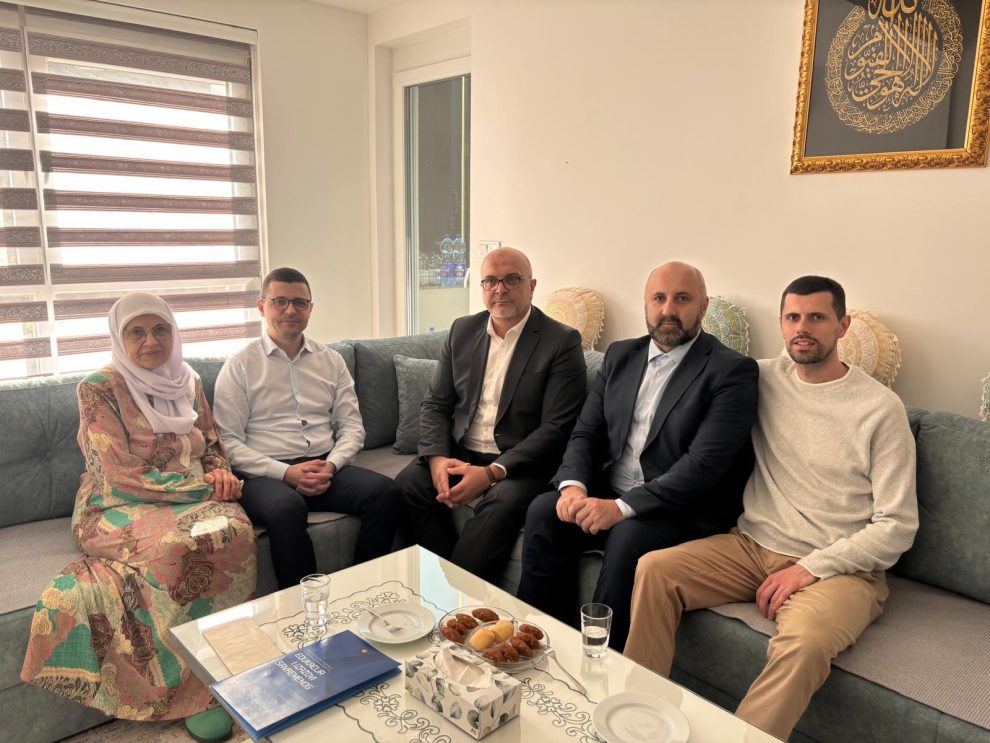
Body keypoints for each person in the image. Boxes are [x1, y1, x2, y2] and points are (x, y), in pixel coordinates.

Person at [623, 276, 919, 741]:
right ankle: (639, 721)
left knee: (806, 642)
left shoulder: (880, 410)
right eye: (793, 317)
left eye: (817, 318)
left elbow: (897, 526)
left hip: (839, 569)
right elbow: (692, 372)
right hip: (749, 546)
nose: (803, 328)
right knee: (654, 570)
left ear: (842, 326)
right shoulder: (759, 378)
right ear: (781, 324)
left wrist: (810, 568)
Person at [20, 292, 256, 734]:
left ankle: (227, 664)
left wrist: (220, 473)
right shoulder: (98, 388)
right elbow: (116, 474)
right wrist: (204, 487)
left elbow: (210, 442)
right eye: (137, 331)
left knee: (234, 535)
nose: (151, 340)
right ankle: (189, 692)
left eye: (160, 329)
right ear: (119, 336)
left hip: (193, 494)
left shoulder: (188, 381)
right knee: (177, 548)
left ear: (174, 333)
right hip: (116, 503)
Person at [516, 261, 759, 649]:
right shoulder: (621, 355)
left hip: (680, 509)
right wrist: (573, 487)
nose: (668, 310)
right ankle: (539, 643)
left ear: (703, 306)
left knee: (628, 536)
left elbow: (703, 465)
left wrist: (621, 508)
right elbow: (587, 431)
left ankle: (600, 660)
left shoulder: (732, 371)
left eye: (682, 299)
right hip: (612, 491)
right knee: (545, 511)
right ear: (645, 304)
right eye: (658, 298)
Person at [395, 247, 587, 582]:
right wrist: (437, 459)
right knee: (408, 484)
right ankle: (445, 579)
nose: (500, 289)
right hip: (462, 451)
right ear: (482, 287)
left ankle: (458, 591)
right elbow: (436, 404)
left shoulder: (561, 341)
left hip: (520, 465)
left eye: (512, 279)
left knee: (500, 504)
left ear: (531, 286)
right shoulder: (462, 331)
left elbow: (557, 428)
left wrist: (491, 473)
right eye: (491, 281)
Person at [212, 267, 400, 589]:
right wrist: (286, 473)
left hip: (324, 465)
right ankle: (306, 606)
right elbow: (228, 441)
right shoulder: (240, 365)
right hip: (265, 475)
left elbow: (352, 426)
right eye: (280, 301)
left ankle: (365, 589)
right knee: (288, 508)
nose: (290, 310)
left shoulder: (331, 361)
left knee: (386, 493)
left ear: (310, 309)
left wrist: (332, 464)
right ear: (262, 306)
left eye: (299, 303)